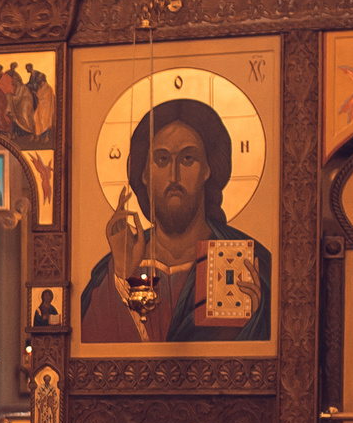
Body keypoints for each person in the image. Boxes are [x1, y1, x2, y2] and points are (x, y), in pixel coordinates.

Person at [77, 98, 274, 343]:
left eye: (187, 158)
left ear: (207, 169)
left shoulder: (252, 263)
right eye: (161, 160)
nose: (174, 175)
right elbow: (92, 352)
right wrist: (121, 275)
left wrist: (255, 321)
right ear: (145, 174)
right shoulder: (119, 264)